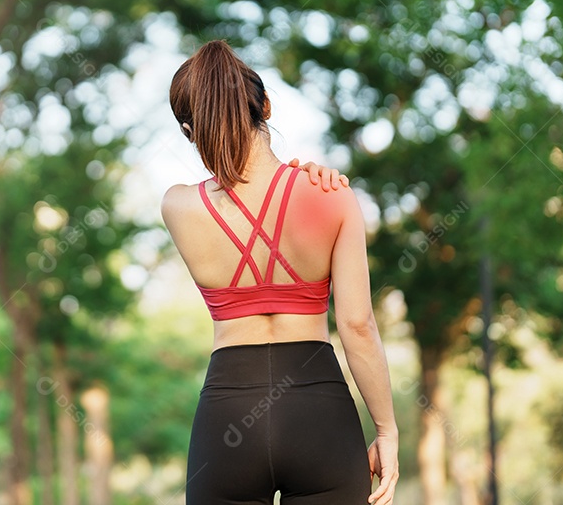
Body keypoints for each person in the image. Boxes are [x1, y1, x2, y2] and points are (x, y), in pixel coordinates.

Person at [160, 40, 399, 505]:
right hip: (320, 414)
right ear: (265, 106)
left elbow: (237, 187)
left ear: (190, 130)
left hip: (226, 420)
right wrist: (386, 431)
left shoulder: (178, 206)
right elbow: (356, 325)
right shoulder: (332, 195)